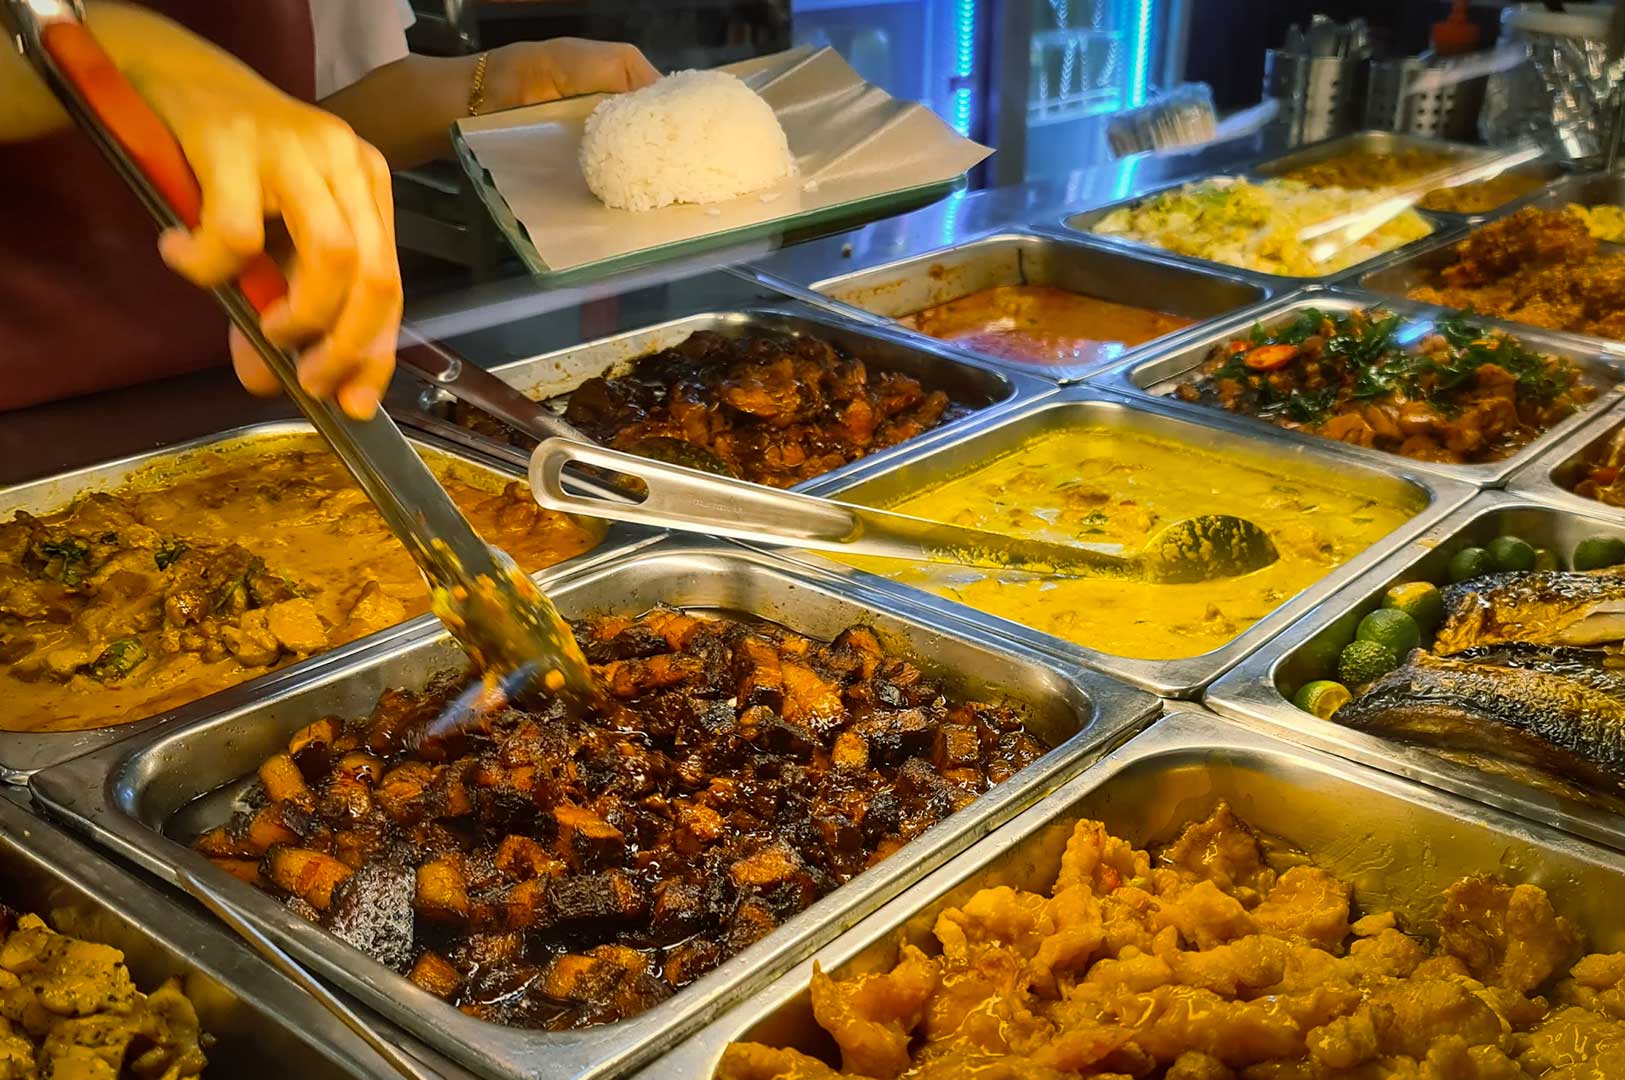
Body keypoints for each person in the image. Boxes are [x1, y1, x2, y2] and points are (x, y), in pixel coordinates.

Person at [0, 1, 657, 419]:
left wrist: (504, 82)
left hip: (274, 376)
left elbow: (327, 112)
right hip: (32, 401)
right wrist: (133, 51)